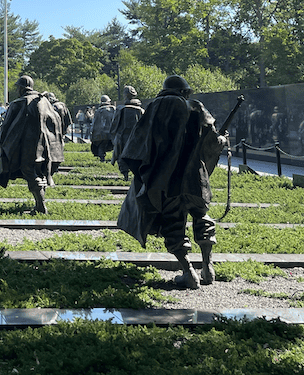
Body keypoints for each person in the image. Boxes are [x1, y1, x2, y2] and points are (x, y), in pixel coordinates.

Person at [117, 74, 226, 289]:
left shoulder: (155, 108)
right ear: (185, 91)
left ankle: (188, 272)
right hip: (196, 177)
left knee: (173, 224)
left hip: (166, 179)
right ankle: (208, 267)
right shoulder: (196, 107)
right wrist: (222, 140)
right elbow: (213, 142)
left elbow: (137, 143)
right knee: (202, 217)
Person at [0, 75, 61, 214]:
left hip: (28, 146)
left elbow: (6, 126)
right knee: (39, 171)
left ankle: (41, 207)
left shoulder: (19, 103)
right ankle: (39, 204)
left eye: (18, 87)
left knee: (29, 170)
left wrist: (3, 145)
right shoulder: (44, 101)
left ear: (22, 88)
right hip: (46, 145)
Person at [110, 85, 144, 177]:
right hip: (136, 138)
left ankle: (125, 173)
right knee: (135, 155)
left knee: (121, 155)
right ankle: (136, 175)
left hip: (122, 137)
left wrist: (113, 136)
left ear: (125, 95)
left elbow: (114, 125)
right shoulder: (141, 110)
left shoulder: (121, 109)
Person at [90, 94, 116, 162]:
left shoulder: (98, 111)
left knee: (101, 146)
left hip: (101, 133)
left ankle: (102, 160)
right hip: (112, 132)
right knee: (116, 146)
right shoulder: (113, 109)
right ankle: (116, 160)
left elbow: (94, 123)